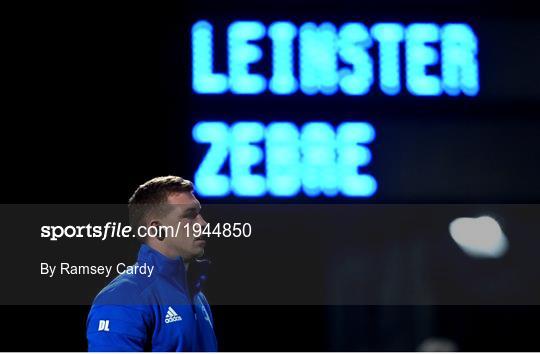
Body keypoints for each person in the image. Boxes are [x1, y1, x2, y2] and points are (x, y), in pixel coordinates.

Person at [87, 176, 217, 351]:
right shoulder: (121, 298)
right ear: (156, 229)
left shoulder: (197, 296)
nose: (203, 223)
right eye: (190, 215)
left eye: (199, 213)